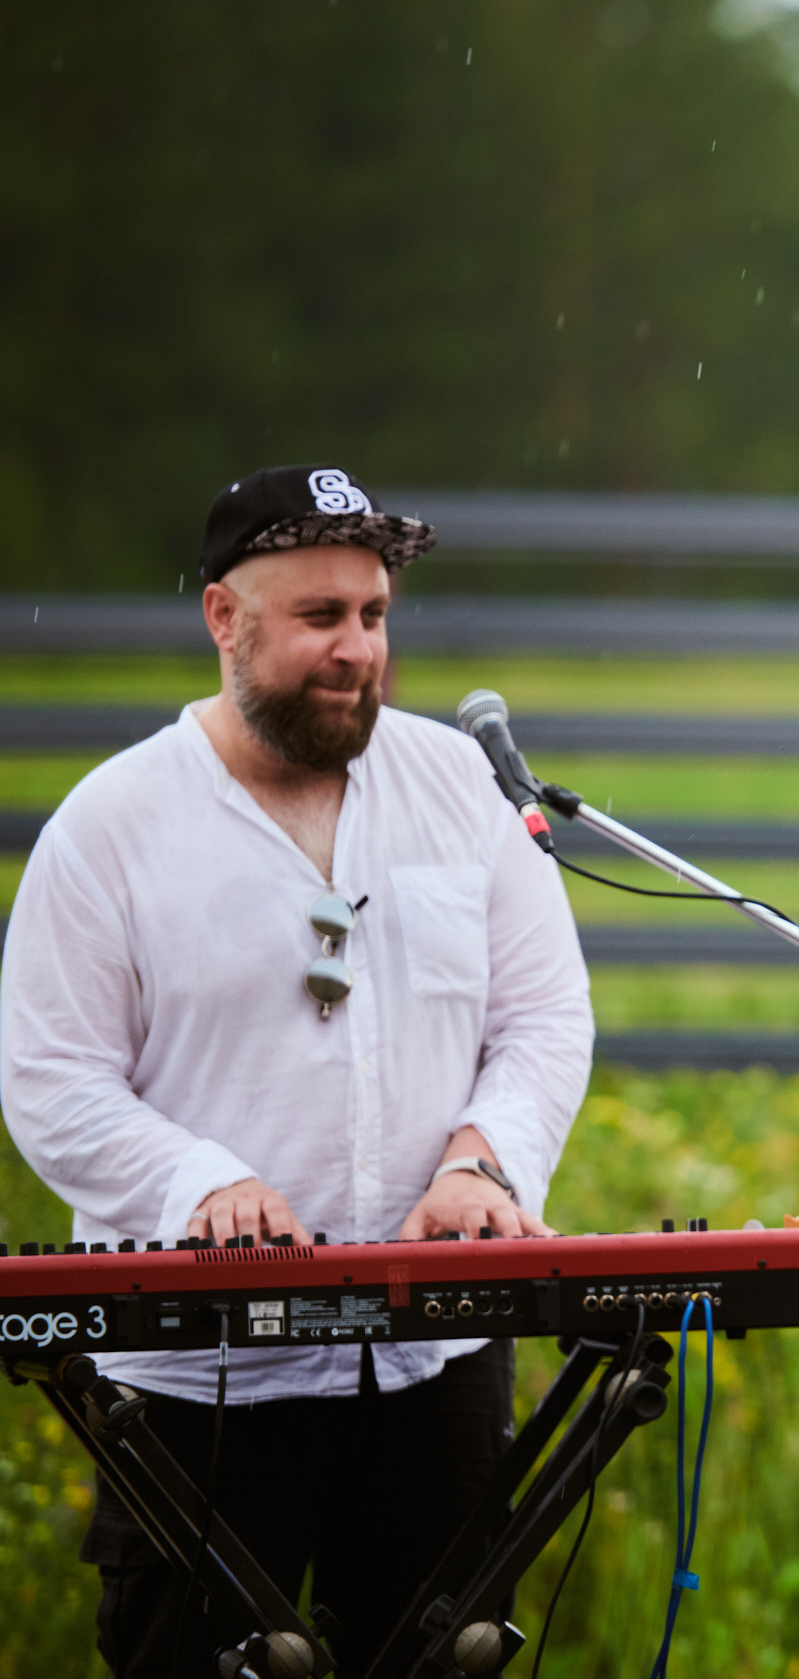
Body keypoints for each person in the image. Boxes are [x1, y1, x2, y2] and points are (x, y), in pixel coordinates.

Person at [0, 464, 594, 1676]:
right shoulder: (109, 827)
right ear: (225, 618)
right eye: (320, 617)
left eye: (373, 616)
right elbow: (51, 1078)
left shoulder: (461, 792)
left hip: (438, 1357)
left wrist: (485, 1159)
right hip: (200, 1377)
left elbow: (543, 1015)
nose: (357, 649)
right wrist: (193, 1184)